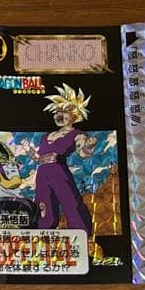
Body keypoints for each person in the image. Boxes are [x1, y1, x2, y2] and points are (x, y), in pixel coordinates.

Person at [18, 84, 96, 233]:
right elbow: (38, 158)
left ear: (74, 115)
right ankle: (43, 233)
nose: (60, 115)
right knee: (43, 205)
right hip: (42, 174)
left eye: (64, 112)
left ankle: (82, 233)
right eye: (58, 112)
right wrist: (28, 149)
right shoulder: (47, 136)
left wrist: (89, 146)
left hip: (58, 172)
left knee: (70, 202)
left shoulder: (77, 134)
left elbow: (82, 152)